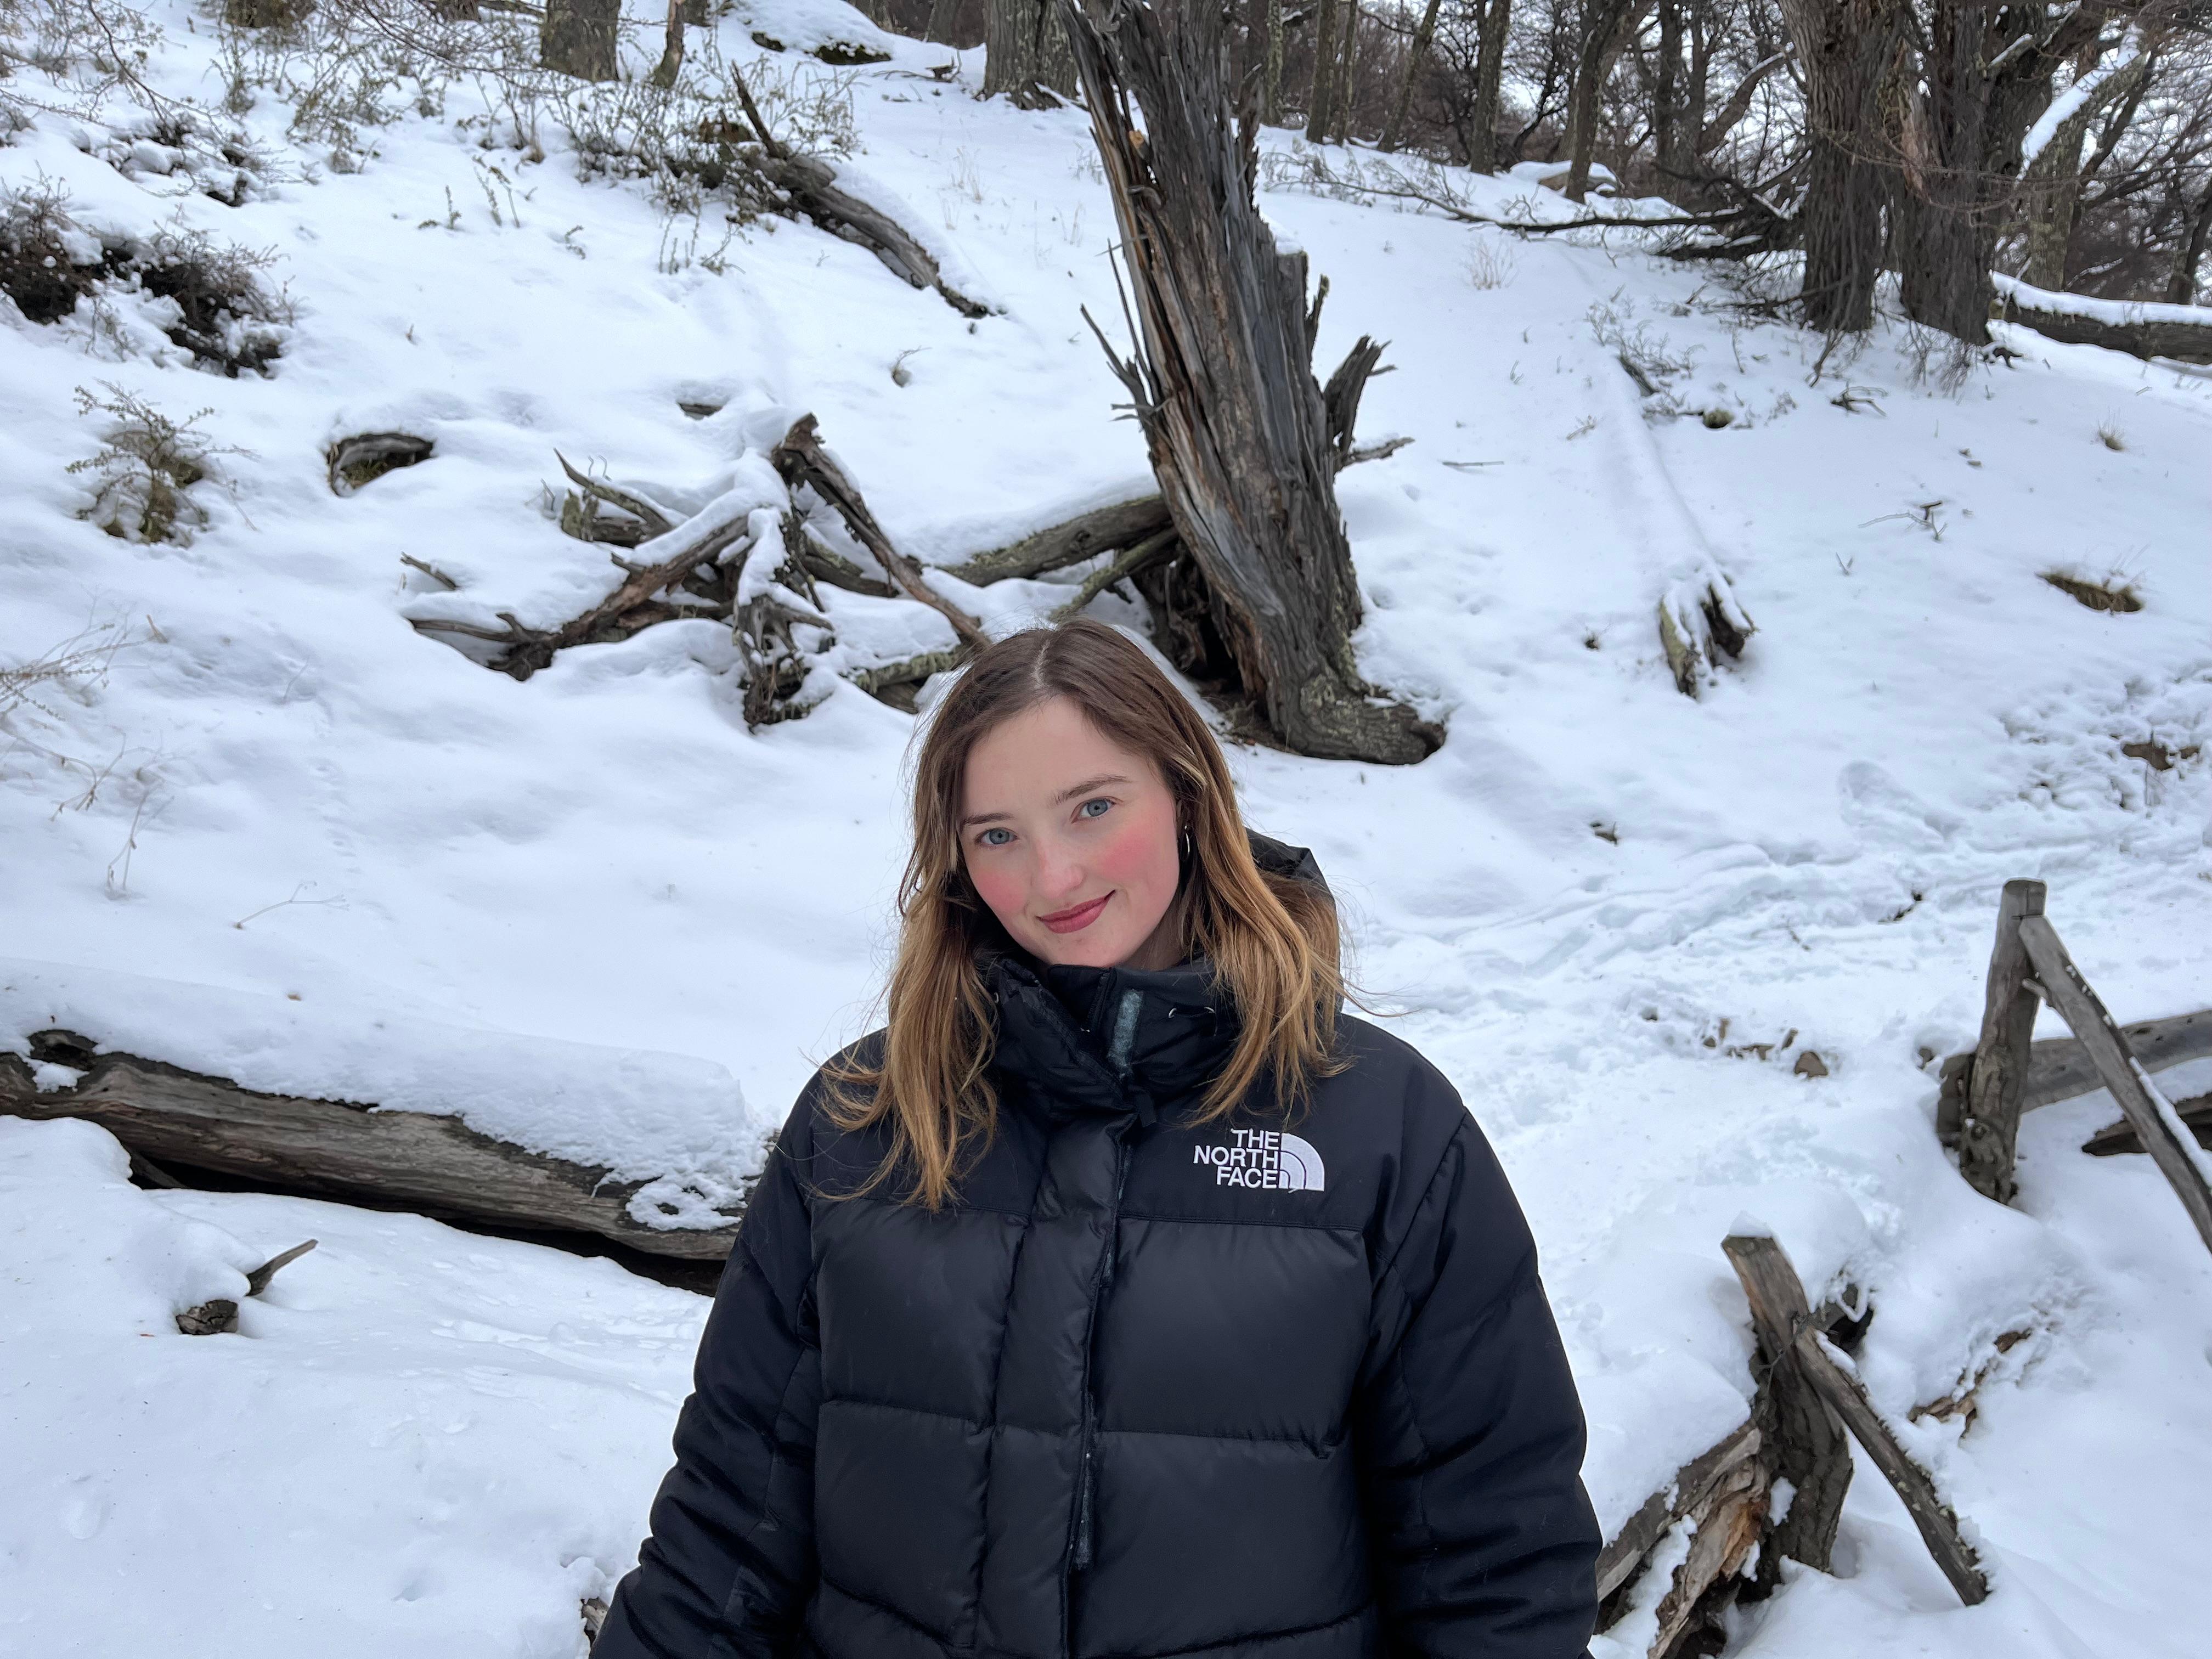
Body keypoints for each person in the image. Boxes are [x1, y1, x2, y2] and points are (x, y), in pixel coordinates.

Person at [595, 620, 1600, 1659]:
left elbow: (1495, 1559)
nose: (1054, 879)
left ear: (1187, 796)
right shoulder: (864, 1121)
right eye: (997, 835)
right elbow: (728, 1524)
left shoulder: (1380, 1126)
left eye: (1093, 809)